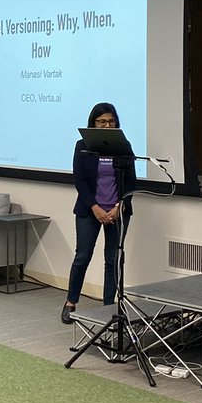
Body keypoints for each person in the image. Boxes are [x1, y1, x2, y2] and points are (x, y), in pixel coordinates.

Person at [62, 103, 137, 322]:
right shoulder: (82, 146)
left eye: (111, 121)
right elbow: (80, 180)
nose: (107, 125)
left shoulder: (123, 145)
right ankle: (70, 302)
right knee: (82, 256)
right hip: (89, 210)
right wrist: (95, 207)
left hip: (117, 212)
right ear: (93, 123)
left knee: (112, 259)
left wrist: (118, 207)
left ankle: (108, 306)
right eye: (101, 121)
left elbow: (131, 181)